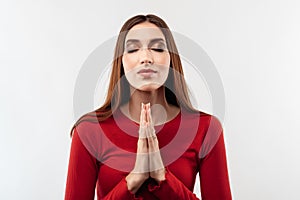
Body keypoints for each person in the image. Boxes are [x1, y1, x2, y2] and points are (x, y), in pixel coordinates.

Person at [65, 14, 232, 200]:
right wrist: (134, 179)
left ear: (171, 60)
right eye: (133, 49)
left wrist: (163, 176)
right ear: (121, 61)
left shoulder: (206, 128)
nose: (146, 57)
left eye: (158, 48)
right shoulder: (89, 130)